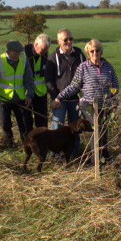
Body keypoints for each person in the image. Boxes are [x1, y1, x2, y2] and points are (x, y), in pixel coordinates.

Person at [54, 39, 120, 162]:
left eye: (97, 50)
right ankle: (94, 159)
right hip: (89, 107)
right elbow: (74, 86)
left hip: (105, 106)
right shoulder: (83, 67)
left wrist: (114, 102)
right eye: (92, 51)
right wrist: (59, 97)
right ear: (88, 53)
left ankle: (103, 156)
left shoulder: (108, 67)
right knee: (95, 131)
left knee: (103, 132)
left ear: (101, 52)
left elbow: (115, 86)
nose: (95, 53)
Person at [46, 28, 86, 156]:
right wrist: (54, 97)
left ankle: (75, 152)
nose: (68, 42)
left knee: (76, 128)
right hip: (60, 100)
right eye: (65, 39)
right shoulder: (52, 58)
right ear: (58, 41)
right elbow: (49, 80)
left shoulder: (79, 54)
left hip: (76, 99)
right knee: (57, 127)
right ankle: (55, 154)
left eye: (71, 39)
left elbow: (86, 74)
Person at [0, 40, 34, 148]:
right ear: (8, 52)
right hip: (3, 99)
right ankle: (9, 146)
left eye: (19, 53)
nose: (17, 55)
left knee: (23, 124)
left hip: (20, 98)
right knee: (5, 124)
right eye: (15, 53)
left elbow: (28, 79)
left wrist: (29, 95)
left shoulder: (23, 59)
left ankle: (26, 146)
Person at [25, 34, 50, 130]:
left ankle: (44, 141)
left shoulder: (45, 54)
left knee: (42, 120)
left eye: (46, 50)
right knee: (27, 120)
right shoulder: (25, 54)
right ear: (35, 45)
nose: (44, 52)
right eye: (42, 50)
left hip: (41, 92)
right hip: (26, 92)